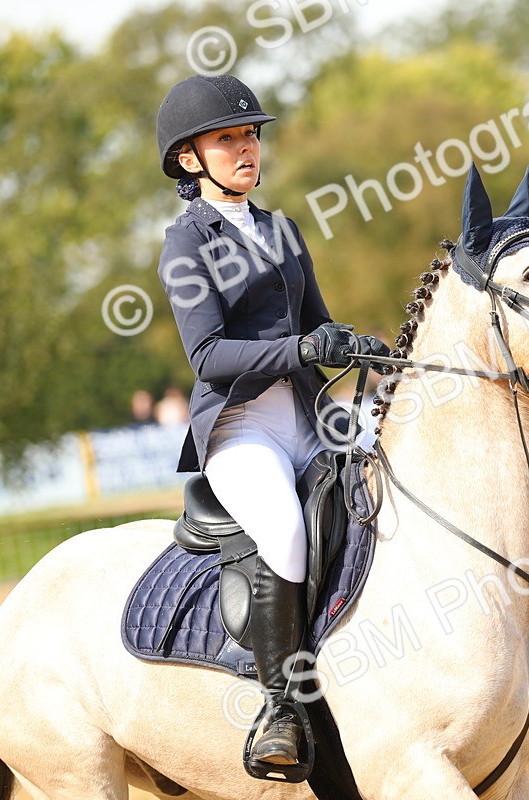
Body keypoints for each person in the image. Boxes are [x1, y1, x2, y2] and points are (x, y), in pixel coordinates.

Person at [154, 74, 390, 768]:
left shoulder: (281, 229)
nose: (247, 147)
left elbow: (316, 322)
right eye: (228, 139)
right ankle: (280, 706)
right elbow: (207, 356)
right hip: (239, 430)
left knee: (395, 470)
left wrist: (351, 341)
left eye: (251, 134)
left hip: (308, 414)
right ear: (190, 159)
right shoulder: (185, 246)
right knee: (285, 527)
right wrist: (301, 348)